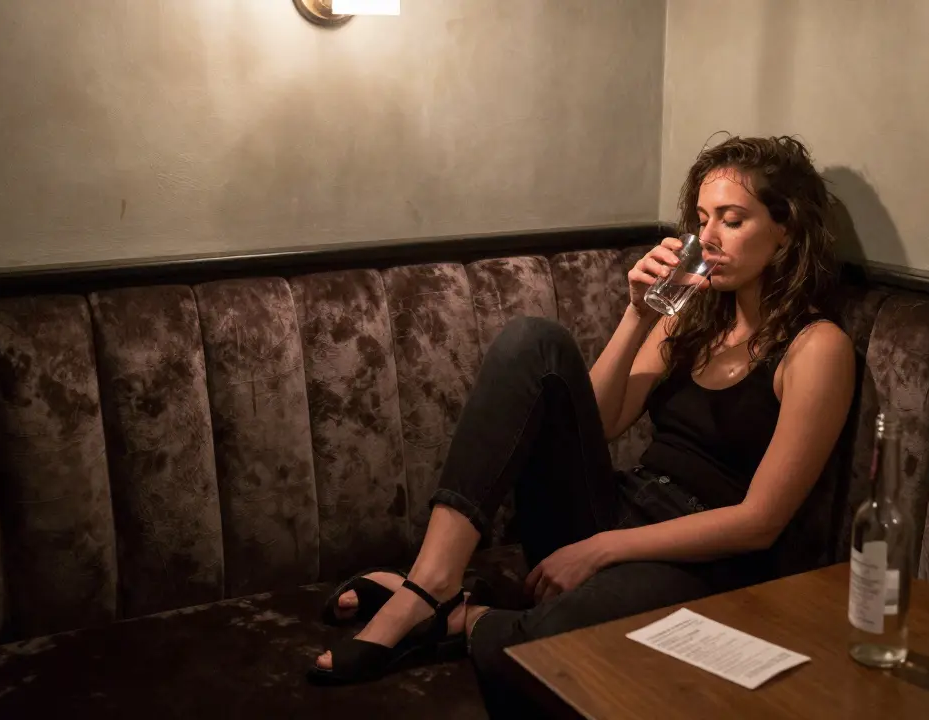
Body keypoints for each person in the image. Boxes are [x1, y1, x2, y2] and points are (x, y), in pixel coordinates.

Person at [308, 135, 856, 716]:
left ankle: (464, 615)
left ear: (785, 230)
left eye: (733, 220)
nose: (710, 237)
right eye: (701, 220)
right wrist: (638, 314)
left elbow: (759, 523)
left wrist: (601, 550)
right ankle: (430, 583)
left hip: (701, 559)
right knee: (533, 341)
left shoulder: (817, 348)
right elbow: (597, 423)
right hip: (615, 510)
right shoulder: (690, 318)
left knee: (566, 646)